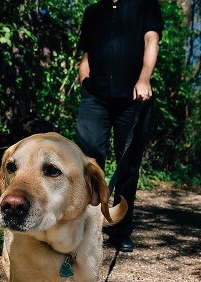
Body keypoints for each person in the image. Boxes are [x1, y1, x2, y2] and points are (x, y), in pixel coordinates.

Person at [75, 0, 163, 253]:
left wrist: (144, 78)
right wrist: (84, 83)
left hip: (133, 97)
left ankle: (120, 230)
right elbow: (86, 56)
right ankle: (87, 230)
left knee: (128, 167)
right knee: (88, 162)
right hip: (95, 98)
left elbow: (151, 42)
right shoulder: (92, 12)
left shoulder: (145, 6)